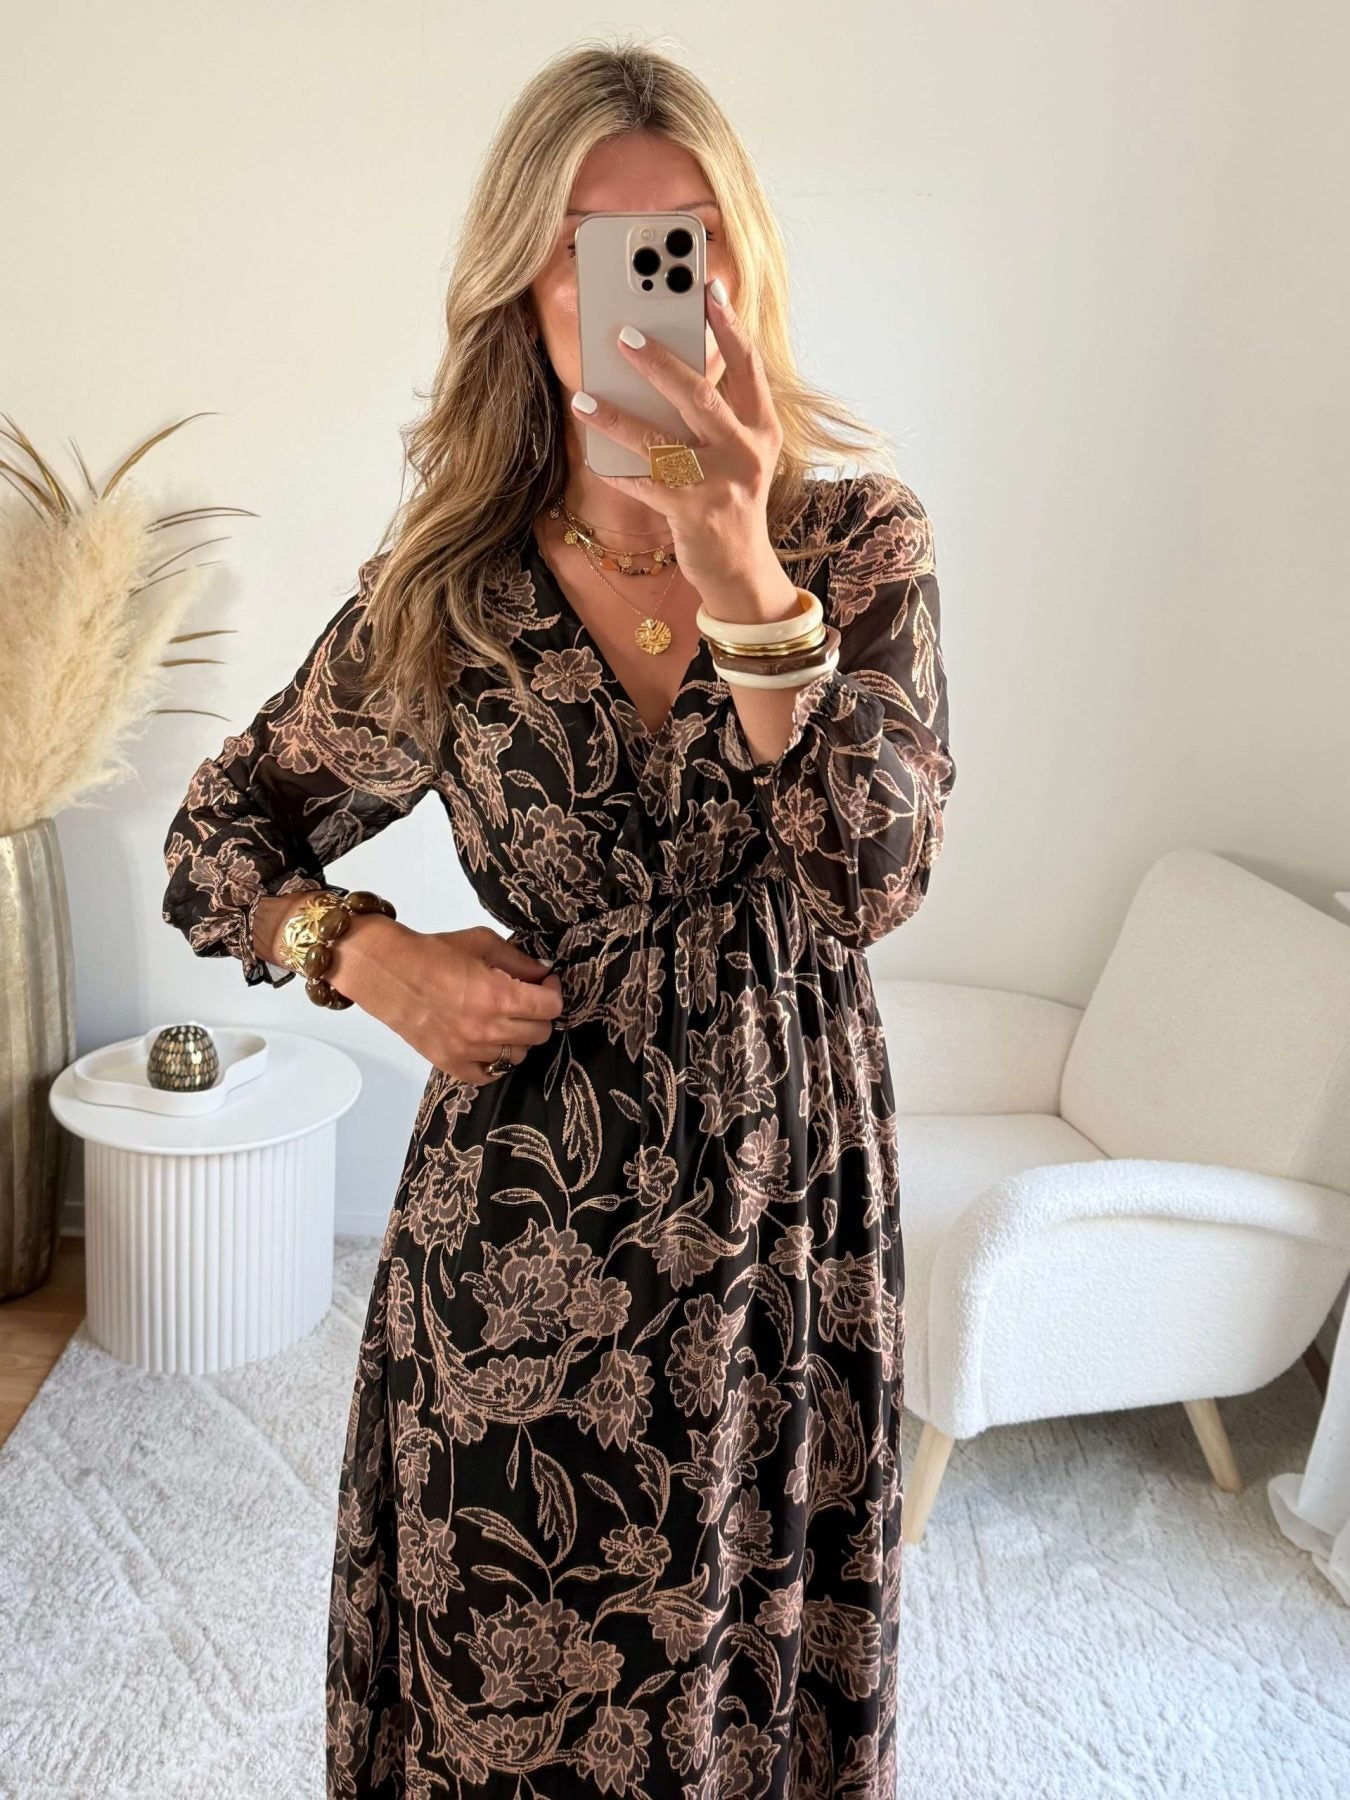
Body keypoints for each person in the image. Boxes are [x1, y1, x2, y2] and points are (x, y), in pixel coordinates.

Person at [161, 38, 955, 1800]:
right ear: (524, 292)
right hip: (523, 1228)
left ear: (741, 265)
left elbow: (873, 880)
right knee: (500, 1683)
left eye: (688, 240)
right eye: (594, 251)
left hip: (782, 1216)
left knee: (746, 1668)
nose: (646, 290)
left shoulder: (854, 543)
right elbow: (216, 836)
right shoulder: (448, 590)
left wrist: (742, 570)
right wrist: (367, 958)